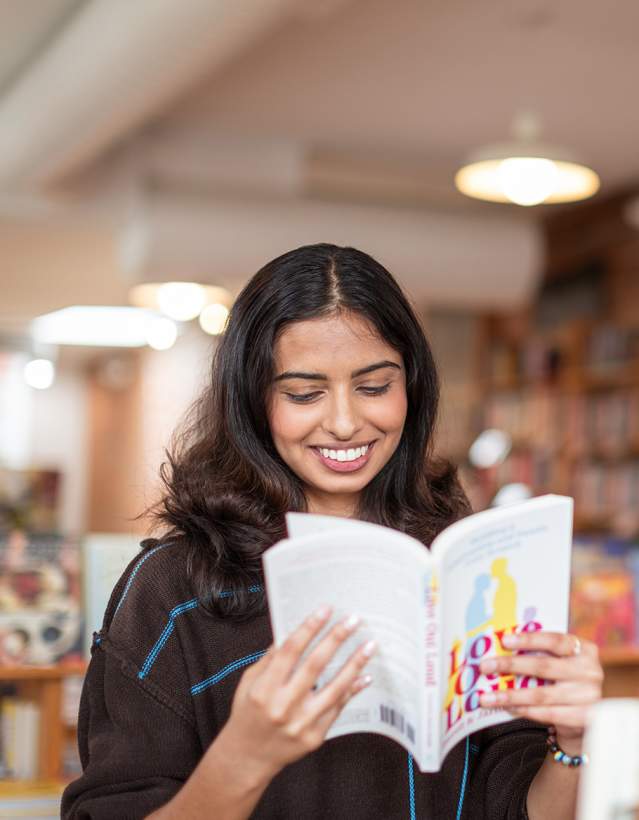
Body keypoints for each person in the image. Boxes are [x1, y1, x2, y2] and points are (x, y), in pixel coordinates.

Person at [62, 244, 603, 819]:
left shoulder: (463, 566)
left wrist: (572, 743)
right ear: (252, 399)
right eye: (303, 393)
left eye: (374, 387)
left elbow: (518, 808)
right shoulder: (174, 590)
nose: (345, 422)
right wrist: (243, 758)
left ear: (411, 390)